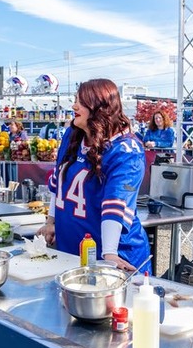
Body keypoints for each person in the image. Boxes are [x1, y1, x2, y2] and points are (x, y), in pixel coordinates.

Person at [36, 78, 151, 273]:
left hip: (115, 256)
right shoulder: (73, 134)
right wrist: (51, 222)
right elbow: (58, 184)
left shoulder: (126, 150)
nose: (74, 106)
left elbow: (115, 205)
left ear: (99, 107)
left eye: (81, 101)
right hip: (72, 250)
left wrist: (109, 253)